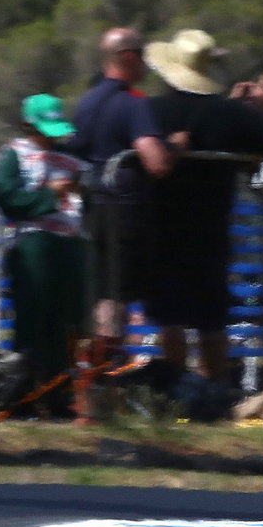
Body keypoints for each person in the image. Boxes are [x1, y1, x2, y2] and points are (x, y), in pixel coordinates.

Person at [143, 29, 263, 385]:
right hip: (212, 228)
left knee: (170, 318)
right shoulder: (228, 114)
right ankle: (213, 392)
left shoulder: (151, 110)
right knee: (211, 320)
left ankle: (175, 389)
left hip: (162, 226)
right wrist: (255, 112)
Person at [66, 27, 172, 341]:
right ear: (128, 57)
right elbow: (157, 162)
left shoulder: (86, 102)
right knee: (116, 296)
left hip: (91, 209)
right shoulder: (132, 103)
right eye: (141, 56)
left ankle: (95, 360)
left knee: (100, 292)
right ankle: (109, 362)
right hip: (123, 213)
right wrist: (175, 147)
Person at [0, 94, 89, 412]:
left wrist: (83, 190)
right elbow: (6, 196)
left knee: (65, 322)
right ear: (28, 125)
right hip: (33, 242)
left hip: (70, 242)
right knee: (33, 320)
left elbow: (92, 192)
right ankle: (23, 395)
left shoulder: (71, 159)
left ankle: (59, 394)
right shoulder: (14, 154)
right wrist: (48, 195)